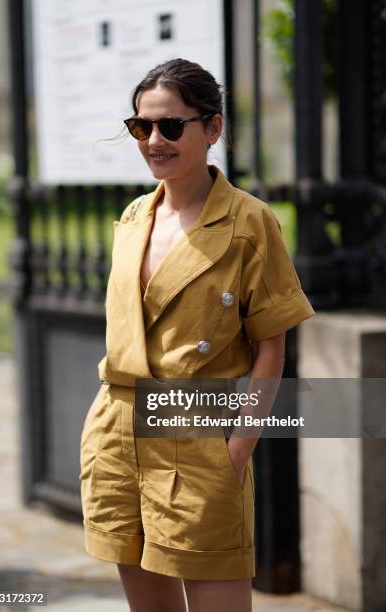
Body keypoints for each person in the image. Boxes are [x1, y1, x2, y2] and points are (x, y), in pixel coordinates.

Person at [79, 58, 315, 611]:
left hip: (199, 438)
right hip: (117, 434)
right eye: (142, 127)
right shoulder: (135, 215)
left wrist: (237, 451)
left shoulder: (249, 222)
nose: (154, 140)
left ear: (213, 128)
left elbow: (272, 345)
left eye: (171, 126)